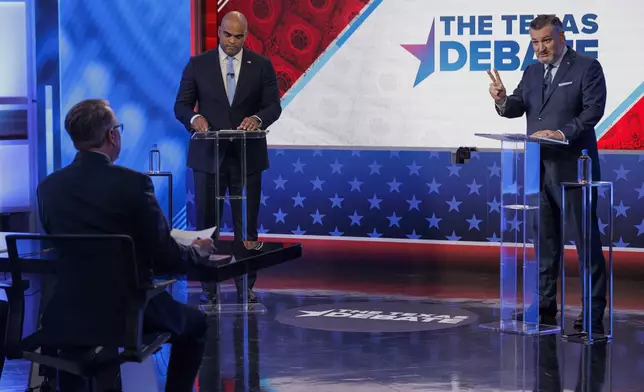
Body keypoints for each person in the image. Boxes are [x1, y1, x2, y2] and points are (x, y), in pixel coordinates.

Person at [36, 99, 214, 391]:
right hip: (126, 312)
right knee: (195, 325)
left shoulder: (48, 188)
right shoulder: (134, 184)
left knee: (75, 343)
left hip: (66, 312)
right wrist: (197, 251)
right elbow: (165, 257)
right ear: (112, 135)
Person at [487, 14, 607, 332]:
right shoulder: (531, 71)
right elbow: (517, 106)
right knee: (545, 242)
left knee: (585, 242)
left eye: (546, 40)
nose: (540, 48)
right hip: (537, 169)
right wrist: (501, 100)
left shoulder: (587, 66)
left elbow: (593, 110)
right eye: (535, 43)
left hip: (574, 169)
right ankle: (543, 304)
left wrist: (561, 132)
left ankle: (592, 312)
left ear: (561, 36)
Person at [174, 11, 282, 305]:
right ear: (219, 32)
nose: (232, 41)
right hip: (209, 156)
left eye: (239, 36)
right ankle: (209, 288)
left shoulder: (261, 66)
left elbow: (274, 106)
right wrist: (195, 118)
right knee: (207, 225)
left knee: (246, 225)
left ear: (246, 36)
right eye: (227, 35)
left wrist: (258, 119)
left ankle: (245, 284)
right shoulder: (198, 64)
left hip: (247, 158)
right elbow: (182, 105)